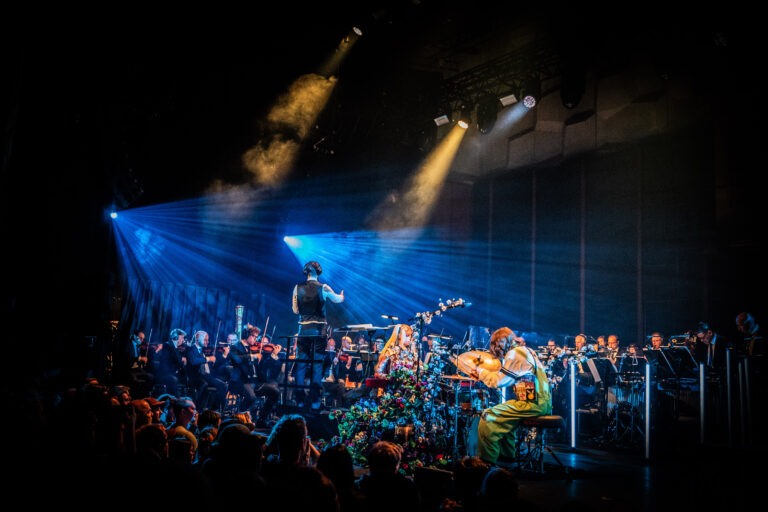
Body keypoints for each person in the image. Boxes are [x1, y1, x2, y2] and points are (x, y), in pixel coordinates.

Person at [470, 327, 552, 465]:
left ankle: (486, 463)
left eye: (496, 345)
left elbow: (499, 381)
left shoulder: (515, 353)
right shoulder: (526, 351)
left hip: (532, 404)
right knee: (505, 420)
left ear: (501, 342)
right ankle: (506, 460)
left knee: (487, 416)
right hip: (540, 402)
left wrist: (481, 372)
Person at [291, 260, 344, 409]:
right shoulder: (324, 287)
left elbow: (295, 310)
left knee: (301, 367)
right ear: (318, 272)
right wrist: (341, 295)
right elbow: (338, 300)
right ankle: (314, 403)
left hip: (302, 331)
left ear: (306, 272)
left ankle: (300, 401)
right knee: (317, 367)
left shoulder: (297, 287)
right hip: (318, 331)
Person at [186, 330, 228, 411]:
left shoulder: (203, 351)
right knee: (203, 384)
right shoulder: (191, 349)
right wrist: (207, 358)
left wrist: (224, 355)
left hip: (207, 376)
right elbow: (194, 361)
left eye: (207, 340)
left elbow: (216, 365)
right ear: (198, 339)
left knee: (224, 385)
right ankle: (197, 409)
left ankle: (217, 409)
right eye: (205, 340)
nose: (207, 342)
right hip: (196, 376)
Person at [155, 329, 187, 396]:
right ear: (176, 337)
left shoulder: (175, 347)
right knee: (173, 379)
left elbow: (179, 362)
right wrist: (181, 359)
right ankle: (174, 400)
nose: (183, 340)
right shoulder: (167, 345)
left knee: (188, 379)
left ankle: (185, 400)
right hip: (164, 374)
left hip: (172, 373)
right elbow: (173, 359)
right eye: (182, 338)